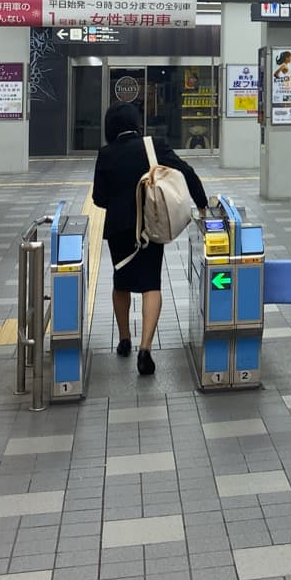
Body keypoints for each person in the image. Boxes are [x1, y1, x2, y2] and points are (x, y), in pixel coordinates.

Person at [92, 101, 207, 376]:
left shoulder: (106, 154)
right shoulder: (152, 146)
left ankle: (124, 339)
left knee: (120, 282)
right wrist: (201, 205)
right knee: (150, 284)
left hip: (119, 229)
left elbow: (99, 199)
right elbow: (187, 171)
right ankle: (145, 349)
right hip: (150, 226)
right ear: (136, 123)